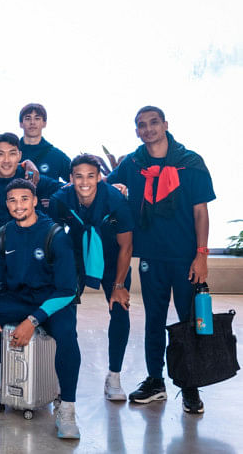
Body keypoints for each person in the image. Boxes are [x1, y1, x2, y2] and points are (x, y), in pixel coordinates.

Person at [0, 179, 81, 440]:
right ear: (6, 204)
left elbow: (68, 290)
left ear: (34, 201)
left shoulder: (55, 235)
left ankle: (67, 408)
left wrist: (33, 320)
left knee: (67, 336)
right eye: (12, 200)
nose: (18, 205)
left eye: (24, 199)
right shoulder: (2, 234)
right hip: (17, 299)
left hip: (52, 302)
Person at [107, 106, 214, 414]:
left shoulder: (190, 163)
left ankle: (190, 386)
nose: (149, 129)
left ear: (165, 125)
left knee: (188, 323)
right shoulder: (133, 163)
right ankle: (155, 381)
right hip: (151, 257)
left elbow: (201, 212)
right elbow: (104, 188)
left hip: (185, 257)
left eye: (154, 122)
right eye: (142, 125)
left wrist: (201, 255)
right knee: (153, 321)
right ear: (137, 131)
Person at [0, 132, 62, 388]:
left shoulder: (32, 178)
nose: (6, 159)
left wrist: (114, 186)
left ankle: (40, 364)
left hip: (26, 260)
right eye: (0, 154)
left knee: (27, 307)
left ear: (20, 155)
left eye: (12, 153)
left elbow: (68, 189)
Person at [48, 154, 134, 401]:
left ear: (99, 177)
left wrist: (119, 285)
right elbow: (51, 237)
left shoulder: (115, 200)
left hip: (112, 258)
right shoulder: (60, 200)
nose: (84, 182)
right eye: (78, 176)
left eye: (90, 176)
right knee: (63, 312)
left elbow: (126, 246)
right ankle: (61, 376)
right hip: (75, 257)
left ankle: (114, 376)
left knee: (120, 308)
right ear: (71, 178)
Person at [17, 103, 71, 182]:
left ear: (44, 123)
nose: (32, 122)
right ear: (21, 124)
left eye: (37, 118)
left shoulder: (56, 156)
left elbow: (76, 180)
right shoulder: (11, 153)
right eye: (28, 118)